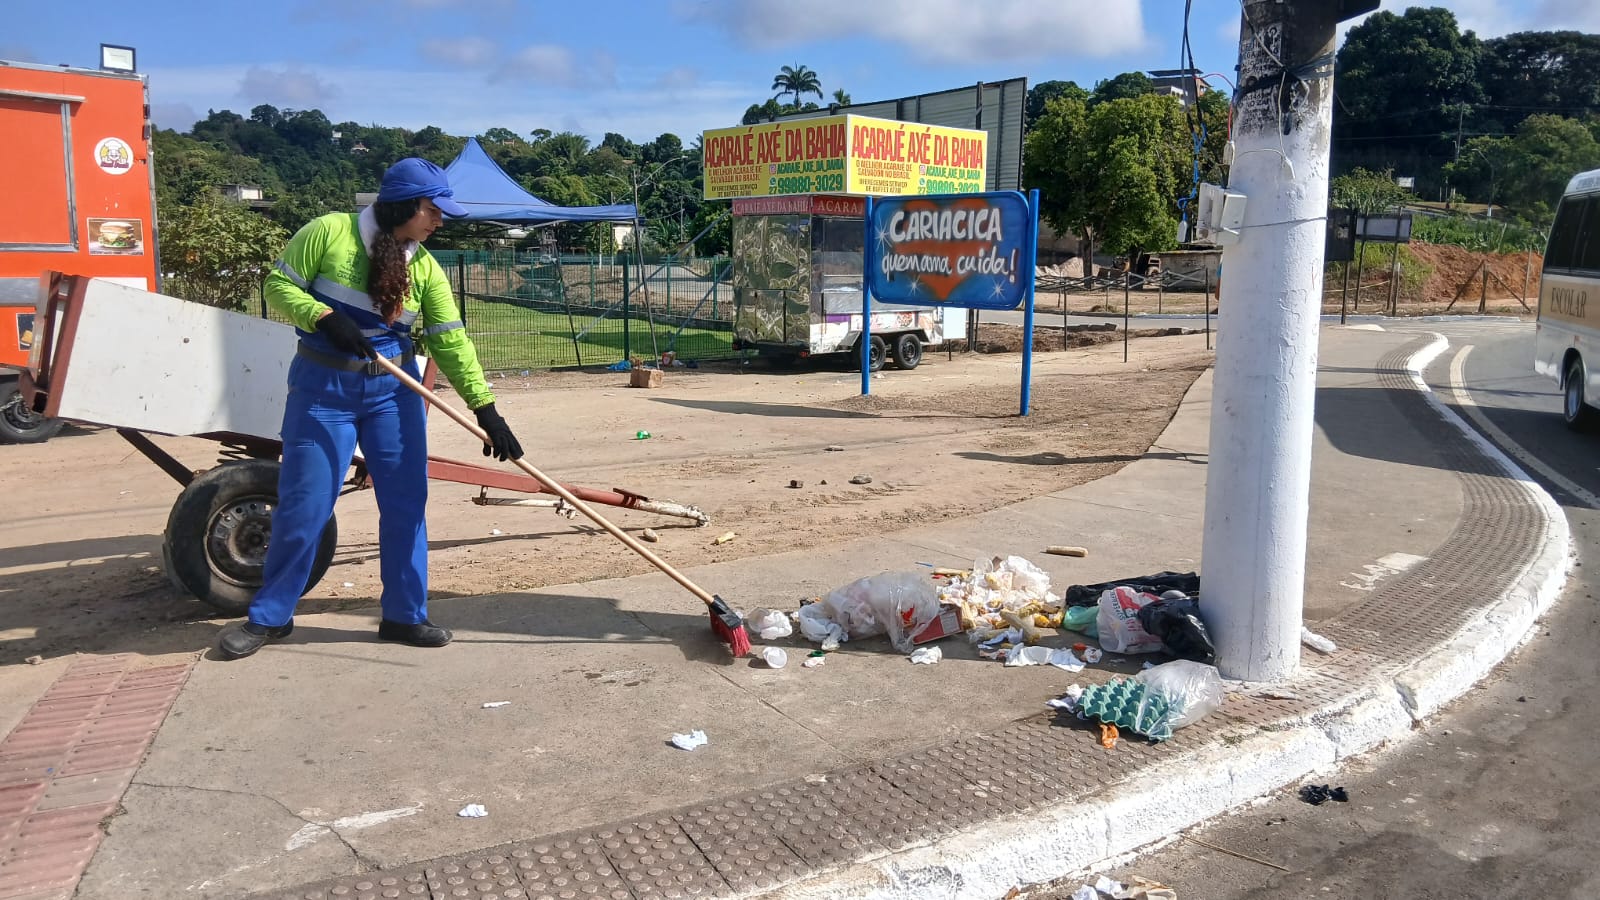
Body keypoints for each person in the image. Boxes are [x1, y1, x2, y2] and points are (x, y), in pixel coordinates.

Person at [216, 158, 522, 660]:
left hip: (393, 396)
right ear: (403, 205)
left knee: (406, 506)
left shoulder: (423, 268)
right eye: (432, 210)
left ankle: (405, 615)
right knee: (305, 505)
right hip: (322, 392)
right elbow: (277, 285)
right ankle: (270, 617)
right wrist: (322, 316)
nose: (439, 221)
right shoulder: (328, 233)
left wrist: (486, 410)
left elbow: (451, 341)